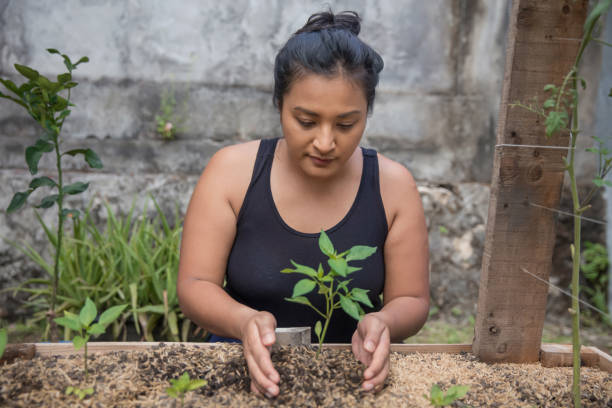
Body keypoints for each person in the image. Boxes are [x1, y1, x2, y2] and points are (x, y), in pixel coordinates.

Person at [177, 10, 429, 399]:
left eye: (346, 124)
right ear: (280, 104)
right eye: (306, 121)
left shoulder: (393, 186)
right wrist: (244, 321)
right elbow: (195, 285)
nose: (326, 142)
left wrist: (384, 322)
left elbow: (411, 299)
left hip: (355, 378)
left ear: (366, 115)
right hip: (240, 372)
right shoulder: (232, 172)